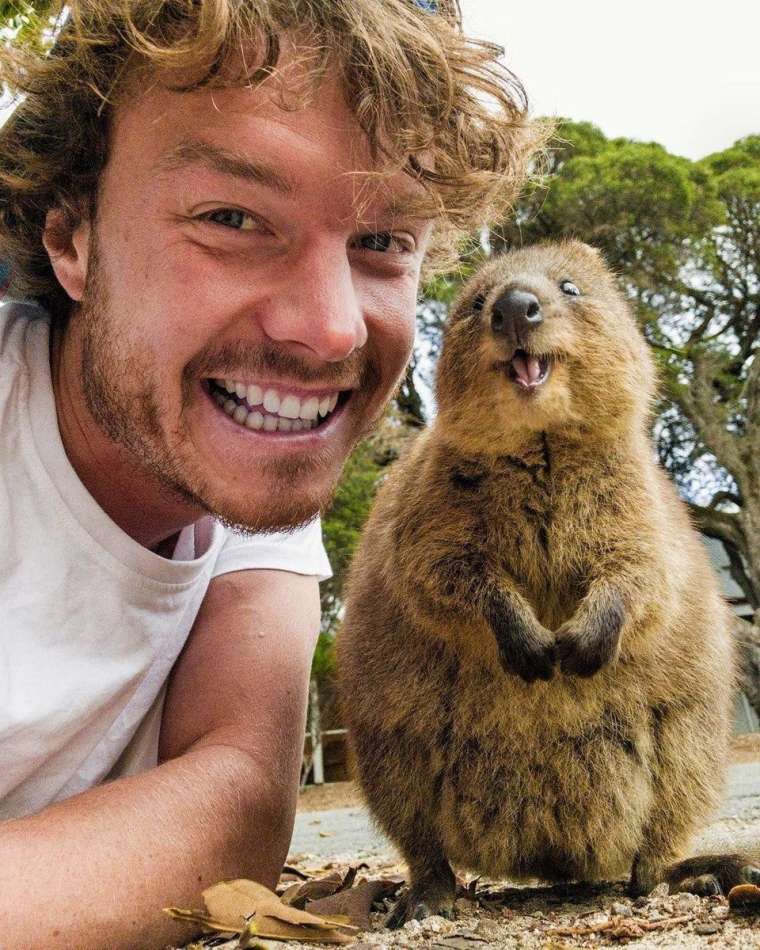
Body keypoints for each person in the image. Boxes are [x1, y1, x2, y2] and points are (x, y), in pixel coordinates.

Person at [0, 0, 539, 945]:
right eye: (235, 217)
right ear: (70, 239)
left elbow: (239, 796)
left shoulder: (244, 465)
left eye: (382, 243)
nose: (331, 328)